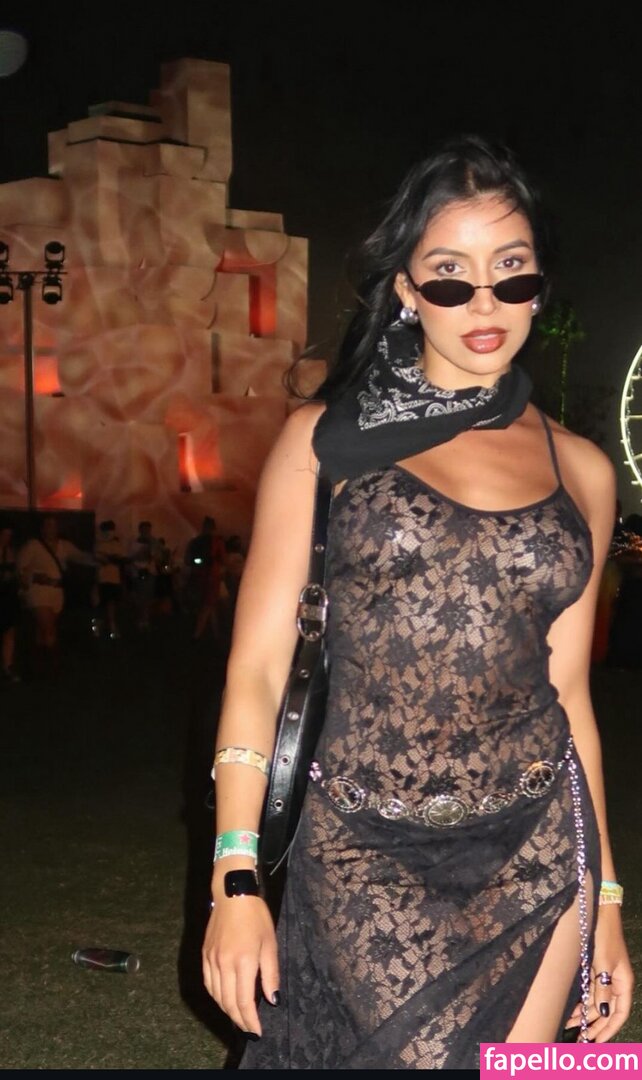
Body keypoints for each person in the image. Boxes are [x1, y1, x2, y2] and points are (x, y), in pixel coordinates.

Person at [201, 135, 633, 1069]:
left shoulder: (585, 472)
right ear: (405, 288)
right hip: (362, 852)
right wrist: (235, 875)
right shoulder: (325, 443)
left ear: (539, 286)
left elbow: (570, 698)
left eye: (511, 272)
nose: (484, 303)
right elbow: (259, 669)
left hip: (538, 850)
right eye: (449, 276)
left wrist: (606, 902)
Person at [17, 514, 93, 679]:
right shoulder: (33, 546)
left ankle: (36, 665)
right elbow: (20, 568)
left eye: (54, 526)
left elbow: (80, 556)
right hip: (39, 591)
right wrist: (35, 577)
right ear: (42, 529)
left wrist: (99, 559)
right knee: (49, 629)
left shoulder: (64, 546)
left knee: (42, 631)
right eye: (48, 525)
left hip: (57, 592)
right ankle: (53, 667)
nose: (51, 529)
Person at [184, 516, 226, 641]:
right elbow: (223, 559)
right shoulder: (217, 542)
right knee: (208, 605)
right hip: (211, 576)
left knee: (207, 605)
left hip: (198, 575)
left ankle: (213, 632)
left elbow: (188, 560)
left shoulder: (194, 542)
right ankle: (198, 634)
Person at [93, 520, 127, 639]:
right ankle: (97, 628)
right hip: (101, 579)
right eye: (107, 529)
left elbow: (121, 559)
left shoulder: (117, 544)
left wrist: (111, 558)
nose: (109, 532)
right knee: (99, 605)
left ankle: (112, 626)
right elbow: (100, 559)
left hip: (114, 579)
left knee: (111, 603)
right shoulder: (98, 544)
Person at [127, 521, 160, 631]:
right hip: (137, 572)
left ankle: (145, 618)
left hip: (150, 572)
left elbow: (157, 556)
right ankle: (141, 617)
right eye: (144, 529)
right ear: (140, 530)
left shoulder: (154, 542)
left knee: (148, 596)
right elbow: (130, 557)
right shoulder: (134, 543)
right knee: (139, 596)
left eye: (147, 529)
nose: (146, 532)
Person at [0, 525, 21, 683]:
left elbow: (16, 573)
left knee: (9, 631)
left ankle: (8, 666)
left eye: (9, 535)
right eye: (4, 535)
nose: (6, 539)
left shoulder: (11, 552)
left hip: (8, 596)